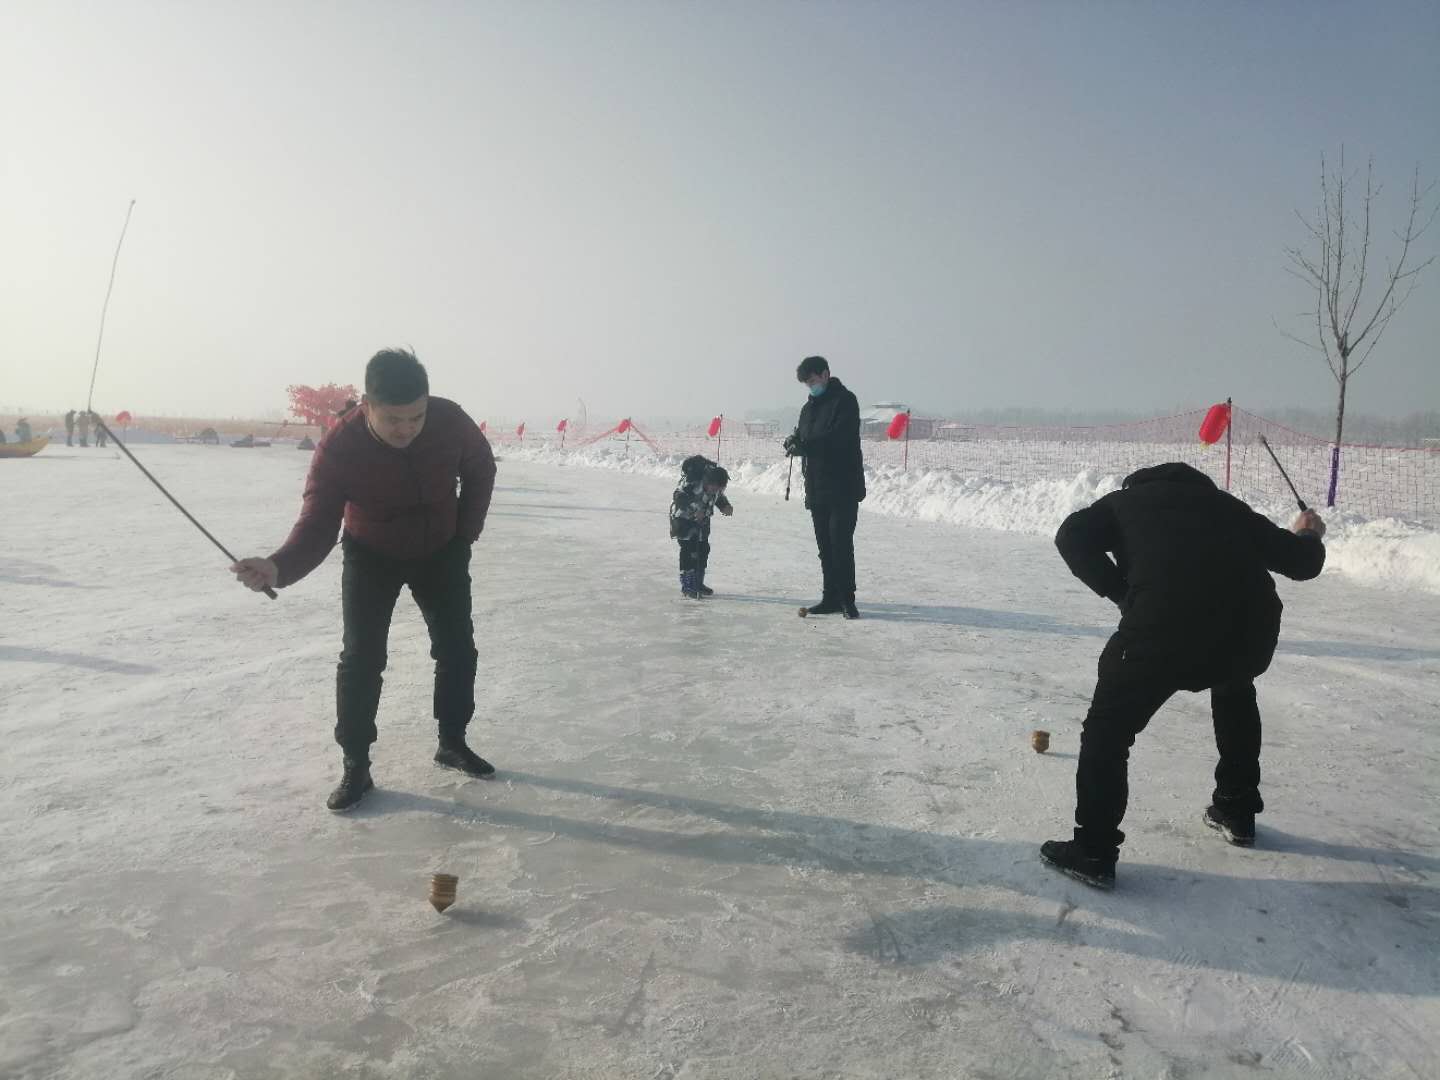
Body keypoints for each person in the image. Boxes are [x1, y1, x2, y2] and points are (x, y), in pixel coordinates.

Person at [230, 348, 498, 811]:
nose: (407, 428)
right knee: (361, 658)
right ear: (367, 405)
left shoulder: (450, 420)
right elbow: (317, 523)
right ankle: (356, 763)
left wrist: (464, 536)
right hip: (371, 554)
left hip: (441, 551)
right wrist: (278, 566)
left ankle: (452, 741)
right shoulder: (340, 448)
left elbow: (481, 467)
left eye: (416, 417)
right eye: (394, 419)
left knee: (457, 649)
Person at [1041, 463, 1327, 889]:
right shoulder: (1228, 507)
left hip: (1160, 631)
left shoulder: (1124, 502)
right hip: (1247, 633)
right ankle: (1236, 808)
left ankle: (1094, 850)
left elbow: (1070, 536)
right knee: (1234, 688)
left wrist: (1122, 593)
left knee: (1108, 731)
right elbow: (1303, 564)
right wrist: (1309, 533)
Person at [783, 356, 865, 619]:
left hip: (843, 486)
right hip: (817, 487)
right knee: (825, 547)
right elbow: (803, 436)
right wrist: (794, 440)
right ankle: (830, 598)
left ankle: (847, 600)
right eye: (807, 384)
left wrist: (806, 446)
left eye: (813, 381)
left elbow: (839, 438)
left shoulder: (846, 401)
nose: (811, 386)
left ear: (826, 374)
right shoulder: (808, 409)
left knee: (841, 544)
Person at [670, 456, 733, 598]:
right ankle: (687, 585)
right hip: (683, 520)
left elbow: (719, 498)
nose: (716, 490)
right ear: (707, 482)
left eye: (720, 488)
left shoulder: (716, 487)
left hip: (702, 521)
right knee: (689, 551)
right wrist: (695, 509)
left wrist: (725, 506)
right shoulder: (692, 483)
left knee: (703, 549)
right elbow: (678, 497)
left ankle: (698, 582)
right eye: (715, 488)